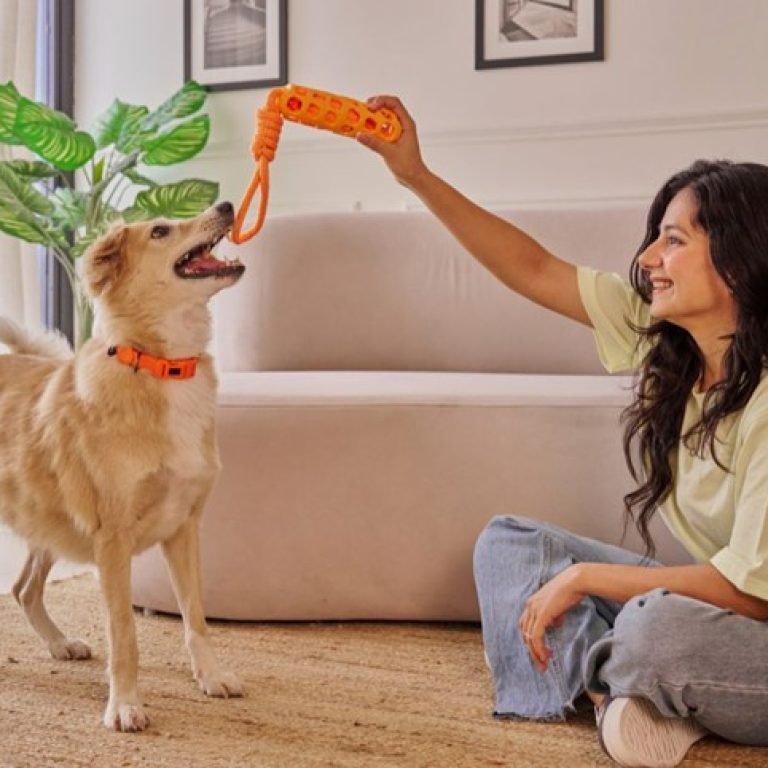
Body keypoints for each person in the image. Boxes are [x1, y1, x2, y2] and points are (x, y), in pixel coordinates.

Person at [357, 96, 768, 767]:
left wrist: (586, 578)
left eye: (673, 239)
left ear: (740, 259)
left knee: (654, 623)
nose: (647, 258)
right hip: (721, 610)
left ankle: (626, 684)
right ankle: (625, 701)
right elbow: (532, 268)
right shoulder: (672, 347)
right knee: (510, 545)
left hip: (752, 627)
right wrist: (414, 175)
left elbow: (751, 593)